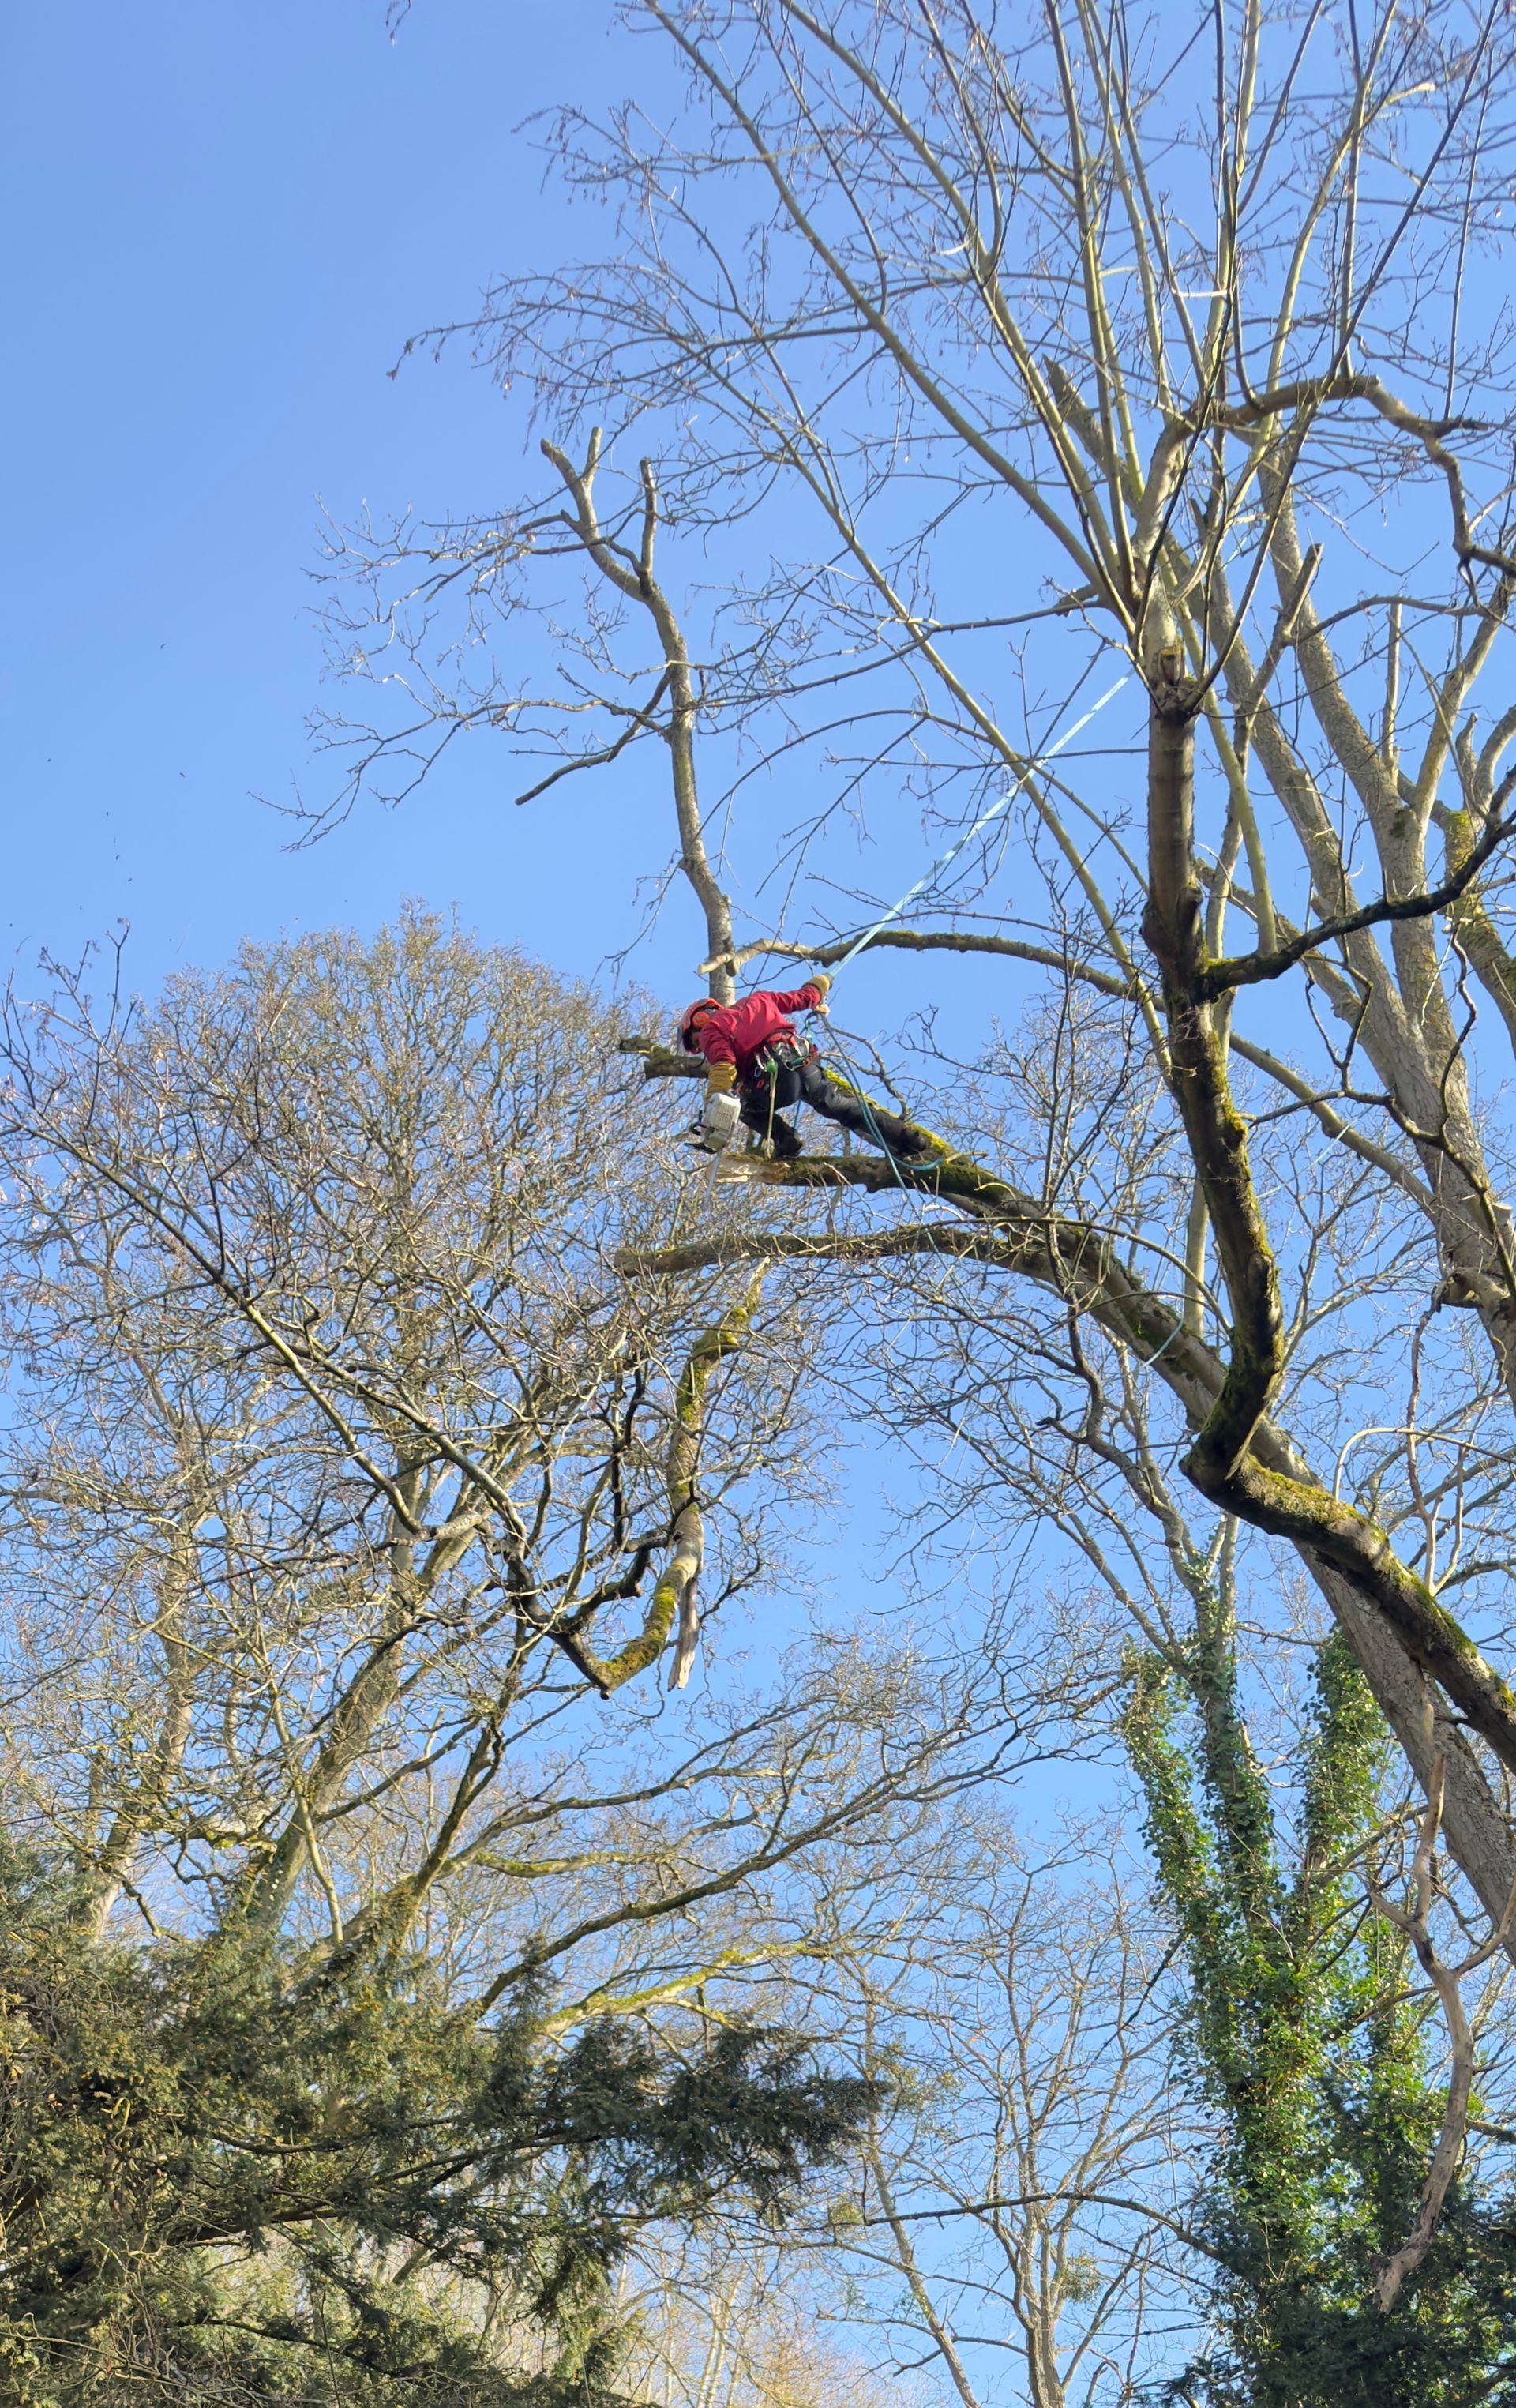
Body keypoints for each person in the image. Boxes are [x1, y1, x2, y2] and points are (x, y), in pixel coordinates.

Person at [677, 976, 929, 1161]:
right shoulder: (759, 999)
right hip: (804, 1062)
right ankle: (906, 1138)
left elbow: (723, 1064)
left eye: (696, 1043)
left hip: (774, 1076)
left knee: (745, 1107)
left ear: (699, 1021)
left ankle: (787, 1140)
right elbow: (805, 997)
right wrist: (822, 983)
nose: (702, 1048)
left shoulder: (711, 1029)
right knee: (838, 1106)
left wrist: (715, 1101)